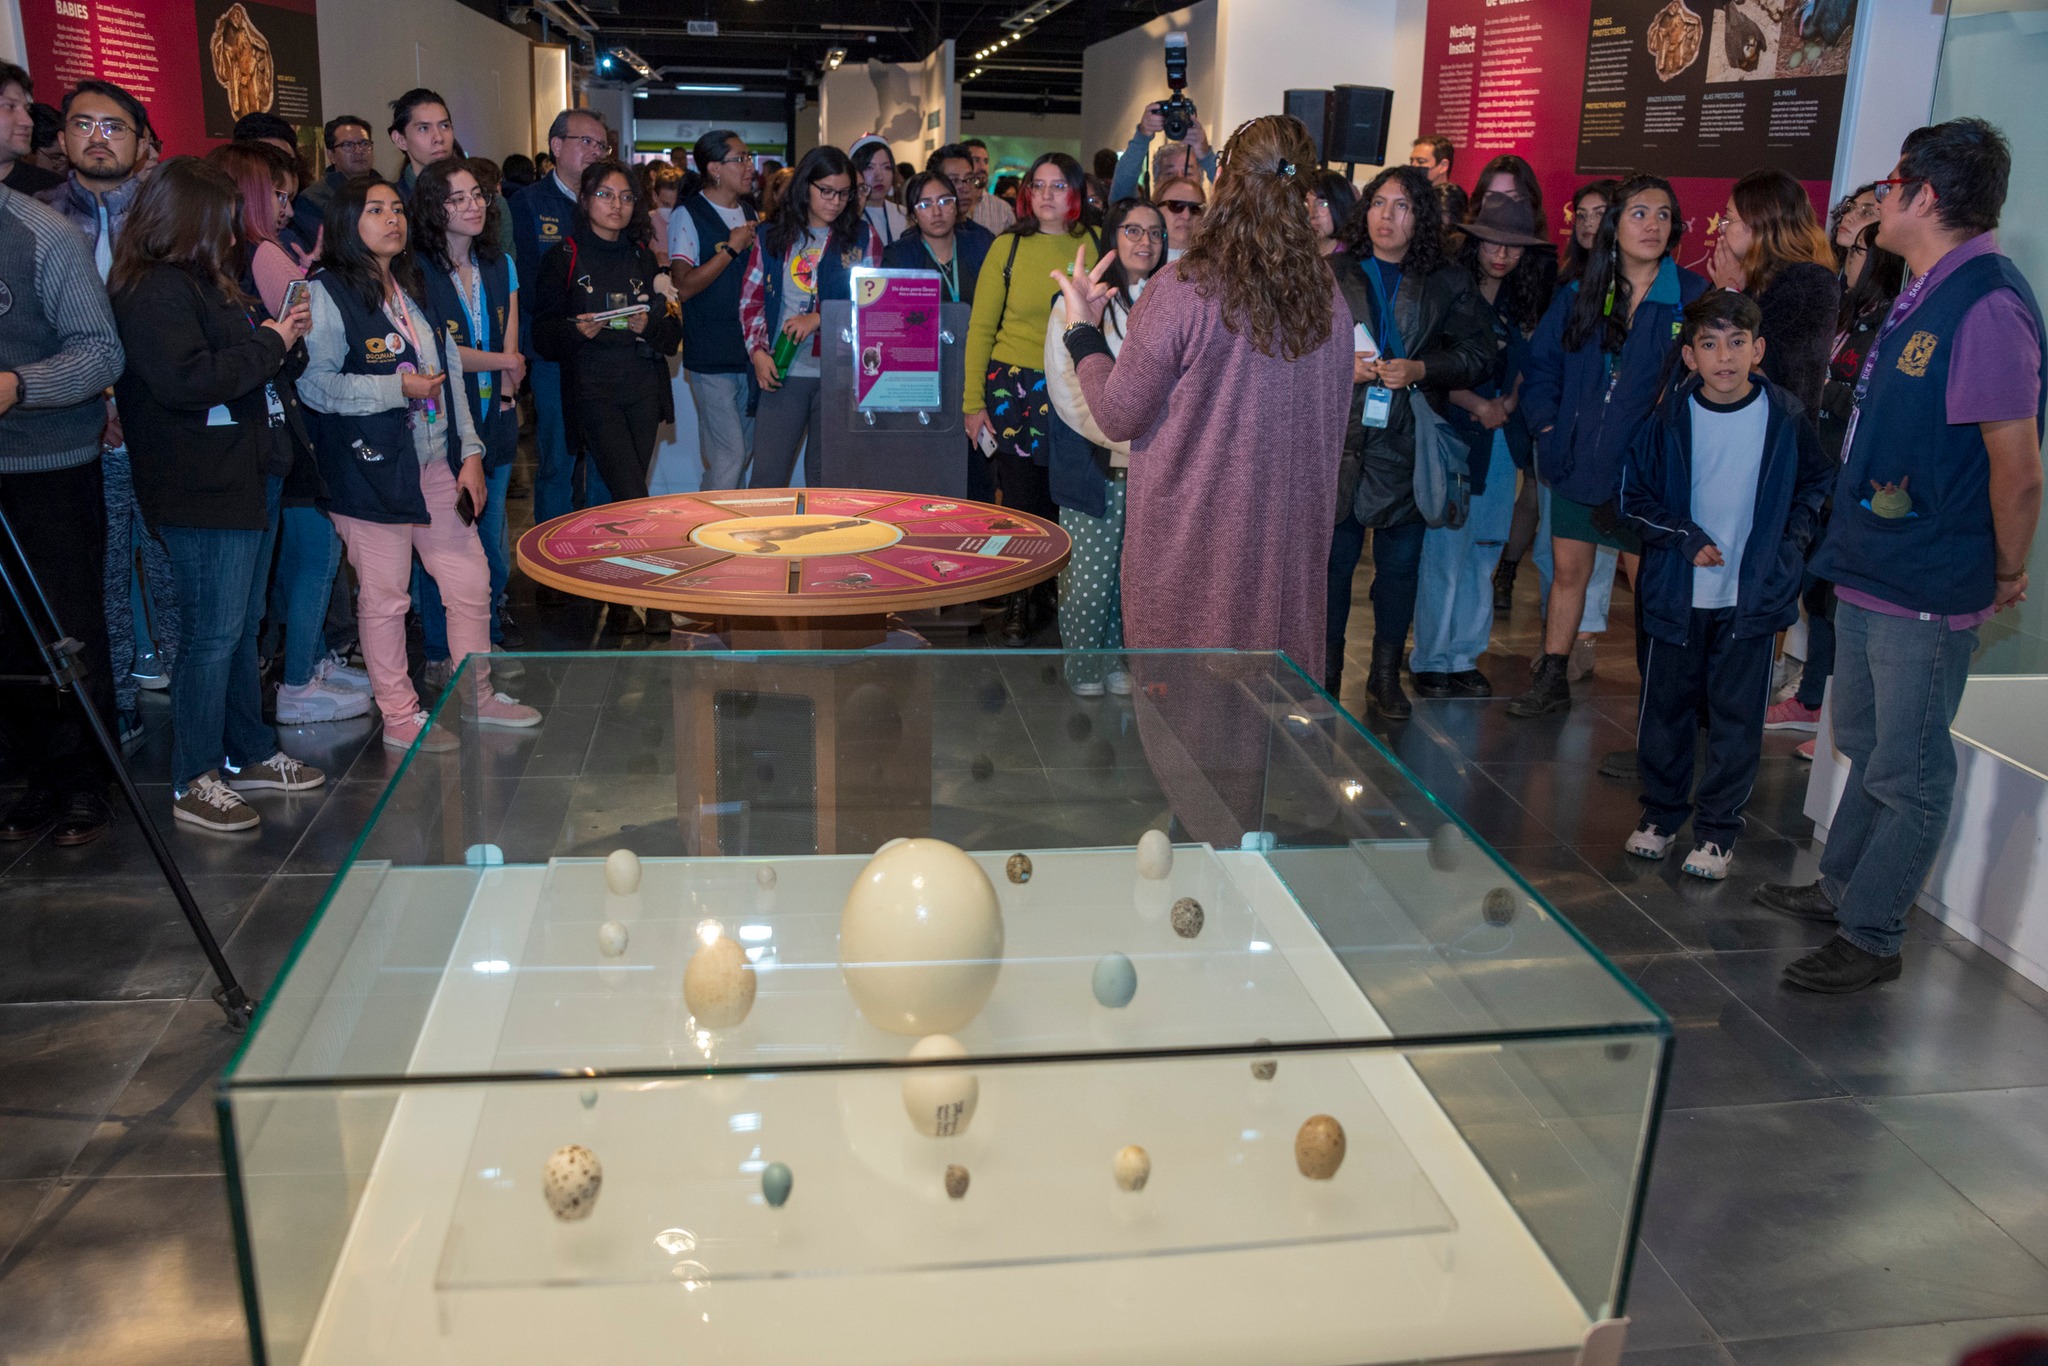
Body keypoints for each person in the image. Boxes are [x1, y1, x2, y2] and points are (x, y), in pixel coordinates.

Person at [1760, 118, 2045, 993]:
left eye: (1890, 184)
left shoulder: (1987, 307)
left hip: (1928, 575)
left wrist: (2004, 570)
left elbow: (2019, 470)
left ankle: (1875, 933)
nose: (1878, 198)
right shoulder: (1924, 288)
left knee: (1911, 769)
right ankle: (1842, 887)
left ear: (1924, 196)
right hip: (1873, 562)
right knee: (1869, 740)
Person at [1051, 113, 1352, 680]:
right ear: (1304, 191)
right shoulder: (1326, 295)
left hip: (1196, 550)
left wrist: (1083, 331)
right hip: (1287, 553)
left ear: (1226, 182)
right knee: (1275, 716)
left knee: (1191, 720)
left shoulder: (1185, 289)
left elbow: (1116, 414)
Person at [110, 157, 329, 833]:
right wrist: (271, 340)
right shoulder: (153, 290)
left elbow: (250, 365)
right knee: (211, 636)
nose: (235, 234)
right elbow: (189, 381)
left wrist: (283, 341)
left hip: (247, 472)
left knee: (239, 629)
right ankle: (194, 777)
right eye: (224, 221)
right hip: (201, 486)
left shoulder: (207, 282)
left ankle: (248, 750)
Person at [299, 174, 539, 752]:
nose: (393, 219)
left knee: (471, 581)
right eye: (376, 210)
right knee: (386, 598)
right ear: (346, 223)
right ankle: (400, 716)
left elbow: (449, 373)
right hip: (370, 470)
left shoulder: (409, 285)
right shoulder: (326, 292)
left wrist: (471, 453)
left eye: (397, 209)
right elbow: (315, 386)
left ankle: (477, 694)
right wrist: (395, 388)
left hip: (434, 463)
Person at [1620, 290, 1831, 879]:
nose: (1725, 357)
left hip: (1751, 598)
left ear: (1757, 349)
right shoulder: (1667, 418)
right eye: (1710, 345)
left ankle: (1716, 833)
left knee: (1737, 720)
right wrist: (1684, 536)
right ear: (1690, 356)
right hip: (1675, 595)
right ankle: (1661, 816)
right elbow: (1632, 498)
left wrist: (1789, 545)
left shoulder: (1784, 417)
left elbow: (1816, 482)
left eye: (1737, 343)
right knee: (1665, 711)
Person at [1510, 174, 1709, 718]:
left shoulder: (1692, 299)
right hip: (1578, 464)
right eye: (1640, 213)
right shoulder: (1580, 294)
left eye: (1664, 215)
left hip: (1645, 479)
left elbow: (1704, 387)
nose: (1653, 225)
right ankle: (1552, 677)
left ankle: (1659, 702)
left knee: (1650, 592)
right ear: (1614, 225)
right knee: (1567, 575)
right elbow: (1541, 370)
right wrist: (1549, 432)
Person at [0, 60, 126, 847]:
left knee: (65, 629)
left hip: (46, 468)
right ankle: (28, 777)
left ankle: (83, 777)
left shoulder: (44, 233)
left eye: (24, 104)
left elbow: (100, 353)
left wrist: (19, 385)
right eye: (8, 105)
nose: (26, 118)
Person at [39, 78, 181, 749]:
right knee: (98, 580)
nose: (98, 138)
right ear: (63, 136)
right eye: (83, 124)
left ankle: (196, 700)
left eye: (114, 126)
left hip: (159, 427)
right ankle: (115, 702)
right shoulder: (35, 221)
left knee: (172, 570)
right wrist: (93, 399)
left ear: (142, 141)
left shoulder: (167, 221)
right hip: (71, 433)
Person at [1325, 165, 1493, 713]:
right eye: (1379, 202)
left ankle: (1384, 677)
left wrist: (1422, 368)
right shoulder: (1332, 272)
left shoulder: (1447, 280)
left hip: (1407, 446)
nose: (1387, 216)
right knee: (1332, 569)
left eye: (1402, 206)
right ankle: (1324, 677)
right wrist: (1338, 366)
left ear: (1420, 217)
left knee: (1398, 572)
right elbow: (1291, 348)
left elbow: (1480, 355)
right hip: (1341, 442)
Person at [1767, 219, 1909, 742]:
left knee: (1831, 600)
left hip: (1853, 482)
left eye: (1857, 253)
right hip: (1821, 473)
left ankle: (1823, 712)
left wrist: (1822, 390)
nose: (1846, 261)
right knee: (1816, 592)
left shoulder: (1892, 321)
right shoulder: (1846, 314)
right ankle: (1813, 702)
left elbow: (1869, 400)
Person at [1412, 194, 1554, 699]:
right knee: (1444, 552)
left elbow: (1532, 367)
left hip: (1500, 442)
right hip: (1452, 435)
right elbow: (1426, 363)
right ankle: (1430, 658)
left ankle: (1464, 657)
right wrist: (1477, 404)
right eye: (1493, 242)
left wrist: (1508, 404)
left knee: (1484, 552)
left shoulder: (1524, 301)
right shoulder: (1448, 289)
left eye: (1513, 246)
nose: (1502, 254)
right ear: (1475, 243)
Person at [536, 159, 681, 633]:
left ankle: (620, 603)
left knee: (623, 499)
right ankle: (654, 598)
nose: (616, 205)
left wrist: (648, 324)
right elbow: (543, 337)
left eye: (625, 197)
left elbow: (671, 335)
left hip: (642, 388)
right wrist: (575, 330)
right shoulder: (564, 256)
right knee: (633, 495)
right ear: (585, 200)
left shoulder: (643, 258)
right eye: (605, 195)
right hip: (593, 391)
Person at [962, 151, 1097, 645]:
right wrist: (972, 404)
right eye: (1038, 185)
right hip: (1014, 387)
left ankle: (1050, 589)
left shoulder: (1093, 243)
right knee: (1020, 498)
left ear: (1076, 193)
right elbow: (981, 328)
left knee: (1063, 496)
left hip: (1076, 383)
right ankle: (1019, 596)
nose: (1046, 195)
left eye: (1058, 185)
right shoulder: (1008, 246)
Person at [1045, 197, 1166, 697]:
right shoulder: (1077, 300)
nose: (1145, 241)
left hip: (1151, 466)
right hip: (1094, 459)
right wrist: (1125, 436)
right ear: (1112, 236)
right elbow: (1068, 390)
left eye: (1155, 232)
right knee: (1089, 578)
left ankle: (1118, 658)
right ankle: (1083, 666)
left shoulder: (1169, 303)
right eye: (1133, 230)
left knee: (1131, 576)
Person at [413, 156, 527, 665]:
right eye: (457, 199)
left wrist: (506, 387)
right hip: (443, 420)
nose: (473, 206)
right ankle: (443, 652)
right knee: (449, 541)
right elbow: (439, 351)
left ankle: (484, 637)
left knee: (489, 536)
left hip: (496, 415)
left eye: (477, 195)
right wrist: (505, 362)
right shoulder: (417, 271)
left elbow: (509, 337)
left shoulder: (499, 264)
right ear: (433, 210)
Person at [1497, 178, 1619, 613]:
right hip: (1555, 428)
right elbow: (1542, 360)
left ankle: (1581, 636)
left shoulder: (1633, 287)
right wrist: (1546, 423)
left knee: (1597, 548)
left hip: (1604, 436)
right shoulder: (1564, 281)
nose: (1588, 224)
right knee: (1554, 540)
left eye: (1599, 214)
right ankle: (1556, 627)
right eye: (1581, 215)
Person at [740, 146, 879, 490]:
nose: (835, 202)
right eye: (826, 191)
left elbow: (874, 308)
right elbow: (751, 301)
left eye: (844, 194)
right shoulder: (771, 235)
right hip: (784, 370)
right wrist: (758, 353)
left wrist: (820, 318)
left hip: (841, 376)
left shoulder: (863, 237)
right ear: (806, 186)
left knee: (828, 481)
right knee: (768, 477)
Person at [512, 107, 615, 523]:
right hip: (554, 353)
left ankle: (600, 548)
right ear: (556, 146)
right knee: (559, 460)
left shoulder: (610, 200)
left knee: (606, 460)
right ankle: (551, 551)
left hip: (606, 351)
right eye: (585, 141)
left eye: (601, 145)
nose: (595, 151)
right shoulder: (527, 203)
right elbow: (524, 282)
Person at [1708, 168, 1841, 417]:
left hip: (1773, 428)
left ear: (1759, 224)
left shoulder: (1809, 283)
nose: (1722, 230)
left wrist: (1729, 293)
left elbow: (1750, 369)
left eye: (1728, 220)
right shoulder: (1744, 278)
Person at [669, 128, 759, 493]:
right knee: (729, 455)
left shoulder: (748, 211)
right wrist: (731, 249)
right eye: (740, 159)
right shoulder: (688, 215)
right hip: (710, 353)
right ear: (714, 168)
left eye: (749, 157)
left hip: (749, 352)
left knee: (743, 451)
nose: (750, 166)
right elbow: (683, 286)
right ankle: (709, 524)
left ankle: (725, 519)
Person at [882, 169, 989, 305]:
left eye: (944, 202)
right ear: (913, 215)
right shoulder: (898, 257)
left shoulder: (981, 245)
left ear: (956, 207)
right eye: (925, 205)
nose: (937, 212)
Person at [294, 114, 375, 251]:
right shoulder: (311, 200)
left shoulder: (386, 191)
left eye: (364, 143)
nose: (359, 151)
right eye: (348, 145)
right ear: (331, 155)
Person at [1108, 103, 1216, 204]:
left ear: (1201, 180)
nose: (1179, 179)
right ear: (1156, 181)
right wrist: (1142, 138)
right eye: (1169, 174)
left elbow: (1227, 192)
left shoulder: (1214, 217)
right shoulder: (1145, 217)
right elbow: (1120, 194)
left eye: (1188, 173)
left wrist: (1206, 156)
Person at [850, 135, 906, 249]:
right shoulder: (847, 216)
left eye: (886, 167)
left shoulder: (904, 214)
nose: (879, 176)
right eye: (869, 168)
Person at [962, 139, 1015, 234]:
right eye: (976, 160)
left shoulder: (1003, 210)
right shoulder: (952, 205)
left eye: (986, 161)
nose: (983, 167)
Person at [1153, 174, 1205, 263]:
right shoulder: (1138, 263)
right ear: (1156, 211)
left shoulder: (1218, 264)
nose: (1186, 216)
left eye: (1195, 208)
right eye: (1176, 206)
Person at [640, 160, 681, 267]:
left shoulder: (687, 222)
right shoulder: (646, 222)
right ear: (655, 196)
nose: (671, 210)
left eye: (676, 206)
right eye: (666, 205)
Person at [1308, 170, 1355, 256]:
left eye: (1323, 204)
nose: (1312, 214)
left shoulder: (1353, 260)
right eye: (1306, 204)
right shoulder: (1293, 254)